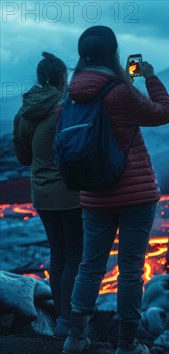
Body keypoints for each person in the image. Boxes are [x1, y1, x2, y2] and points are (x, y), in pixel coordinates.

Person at [61, 26, 169, 354]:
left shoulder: (72, 93)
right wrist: (149, 78)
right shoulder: (120, 92)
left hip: (94, 194)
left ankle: (75, 337)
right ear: (113, 52)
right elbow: (163, 113)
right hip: (136, 195)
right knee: (130, 270)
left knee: (90, 265)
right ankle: (127, 347)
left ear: (82, 55)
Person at [13, 52, 83, 339]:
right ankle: (72, 321)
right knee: (75, 255)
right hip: (69, 192)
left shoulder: (25, 110)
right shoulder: (67, 106)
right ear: (61, 78)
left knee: (57, 253)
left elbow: (23, 156)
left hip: (40, 192)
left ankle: (62, 319)